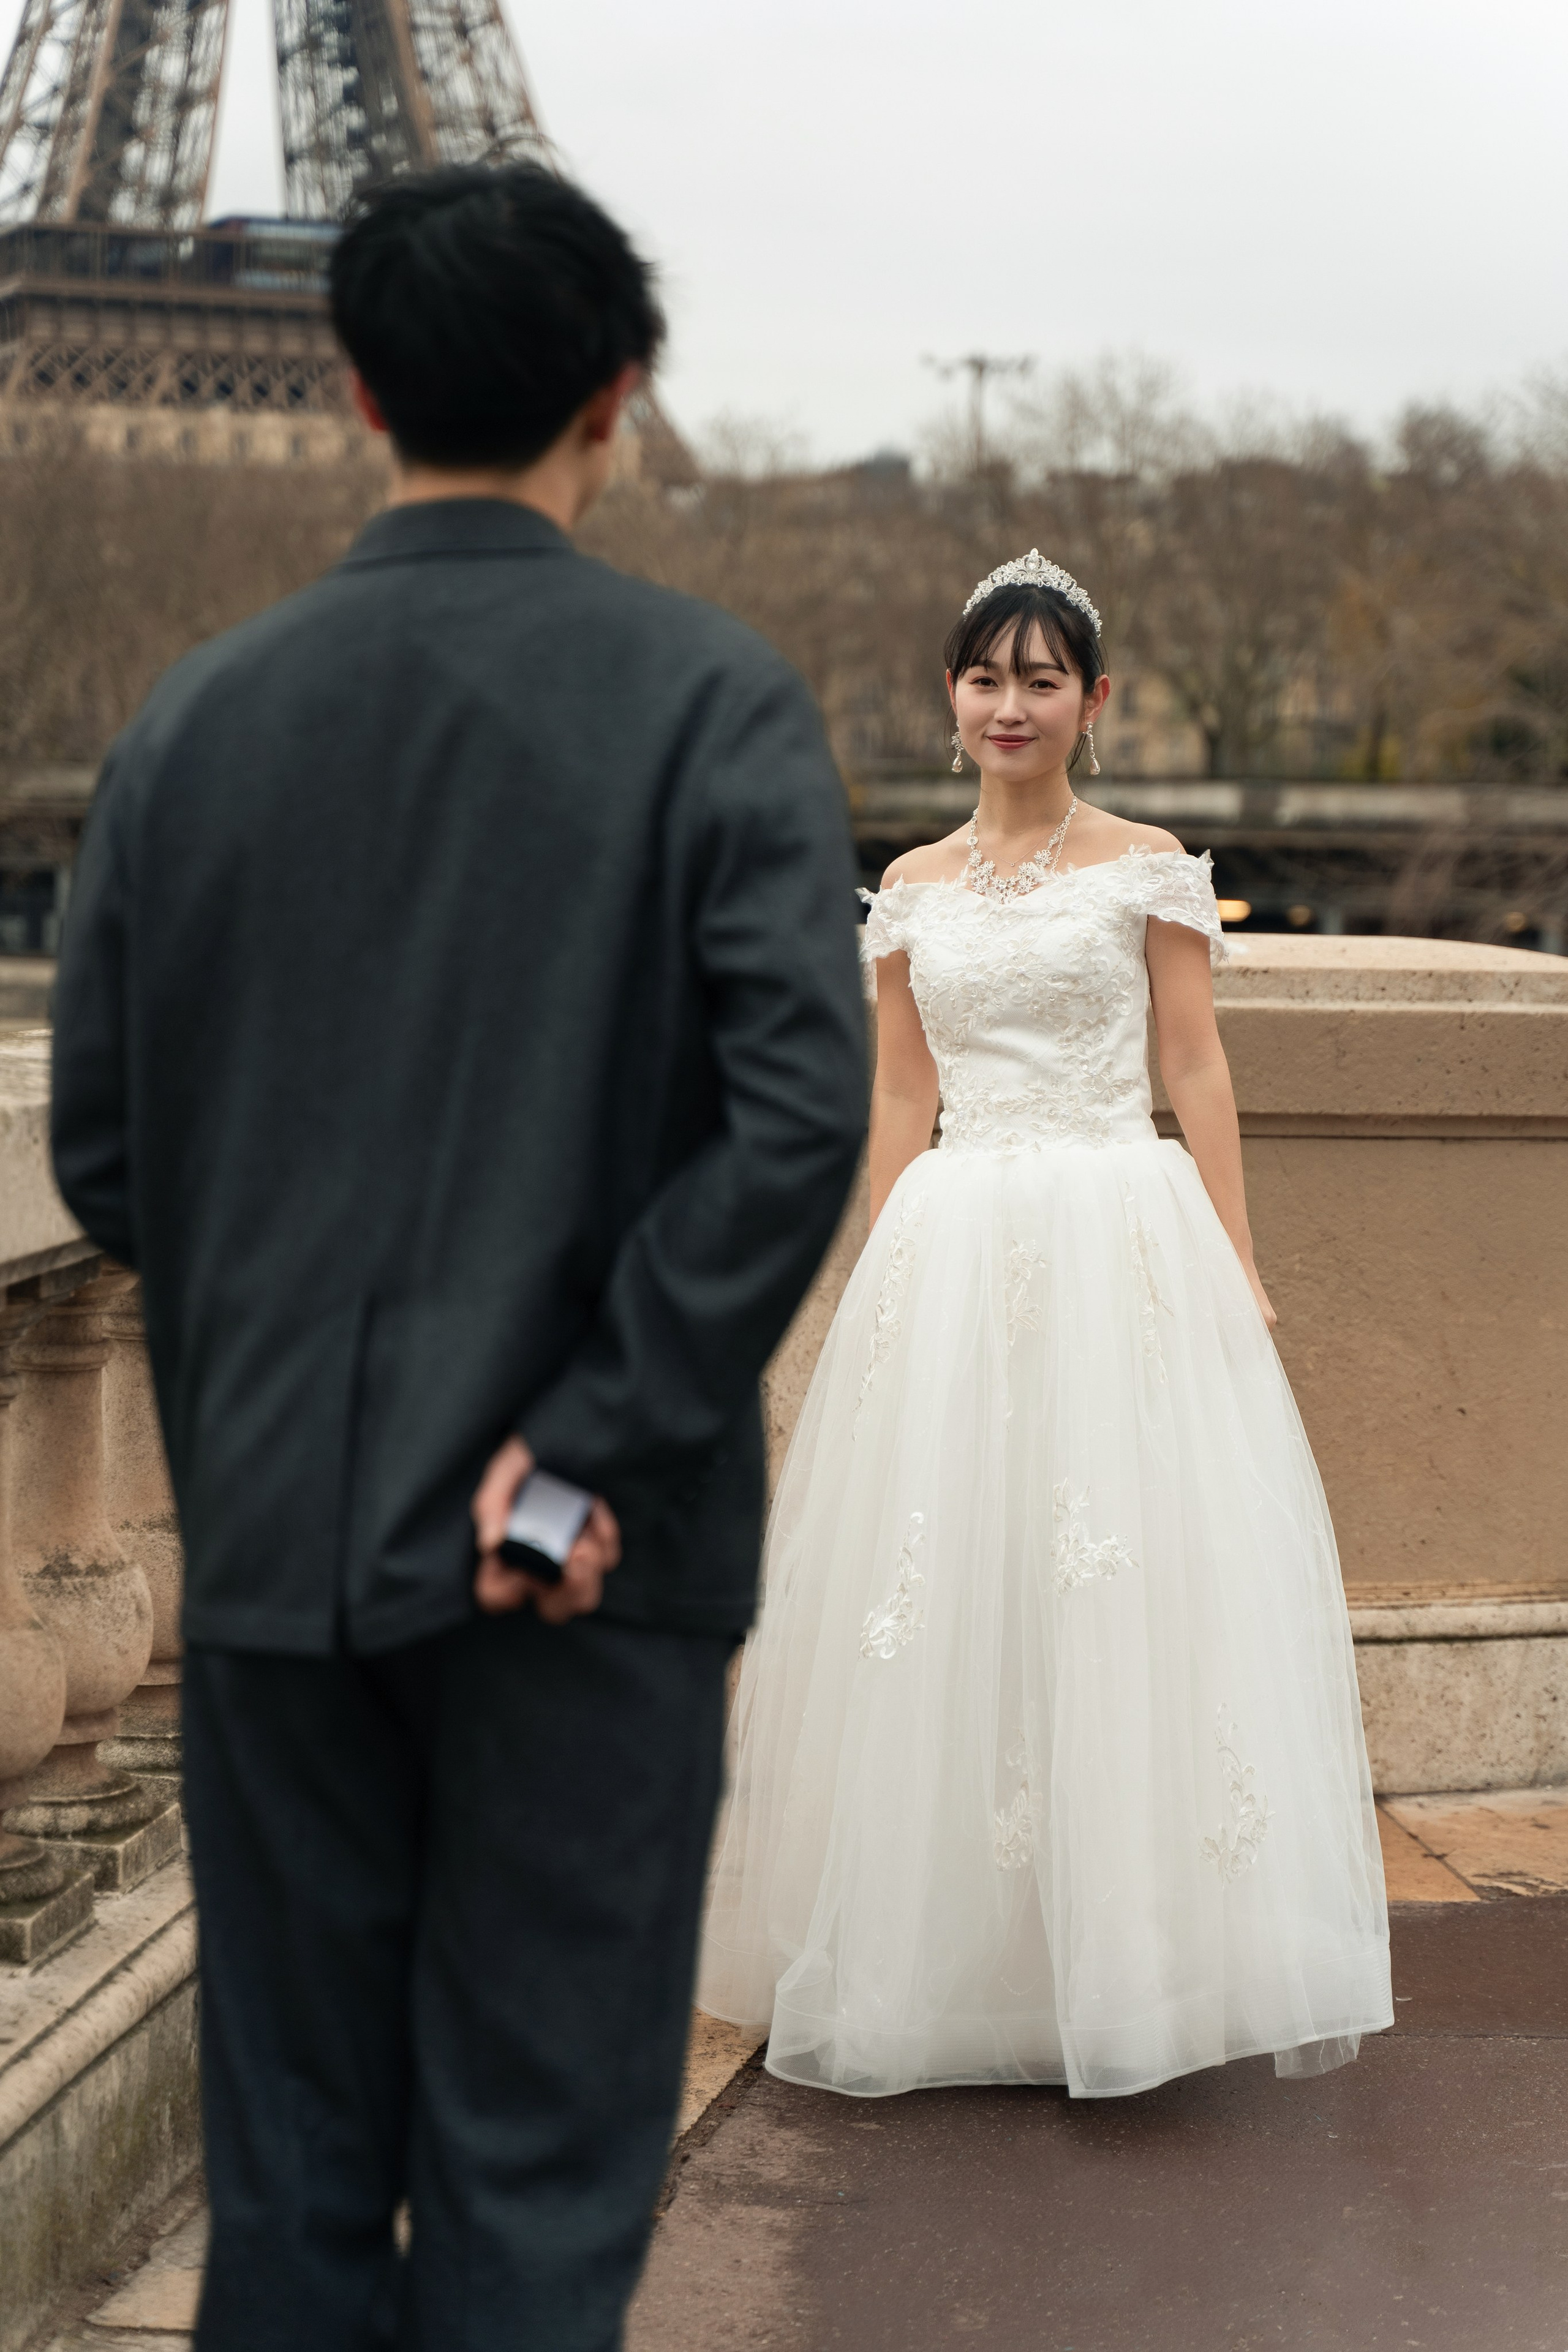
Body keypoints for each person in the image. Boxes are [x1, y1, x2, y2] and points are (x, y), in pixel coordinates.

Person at [50, 164, 866, 2350]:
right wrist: (582, 1440)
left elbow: (107, 1155)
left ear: (350, 384)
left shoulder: (194, 725)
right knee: (534, 2183)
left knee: (295, 2192)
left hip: (283, 1558)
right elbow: (798, 1117)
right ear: (621, 395)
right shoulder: (716, 705)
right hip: (584, 1570)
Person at [698, 550, 1393, 2099]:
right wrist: (884, 1269)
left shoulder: (1146, 864)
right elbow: (898, 1089)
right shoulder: (908, 891)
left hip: (1114, 1239)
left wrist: (1239, 1258)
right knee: (952, 1592)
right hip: (955, 1248)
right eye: (983, 676)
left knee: (1121, 1585)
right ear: (950, 697)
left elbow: (1193, 1068)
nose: (1008, 704)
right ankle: (974, 1961)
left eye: (1039, 678)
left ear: (1094, 701)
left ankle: (1137, 1962)